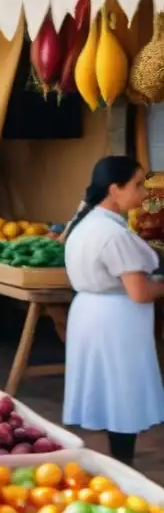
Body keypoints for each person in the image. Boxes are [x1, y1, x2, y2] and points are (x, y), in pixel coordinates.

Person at [63, 156, 164, 466]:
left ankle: (115, 462)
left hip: (92, 313)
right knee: (123, 393)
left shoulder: (86, 223)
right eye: (137, 185)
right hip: (116, 321)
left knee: (108, 391)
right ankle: (123, 464)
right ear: (114, 189)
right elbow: (140, 292)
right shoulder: (114, 235)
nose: (145, 193)